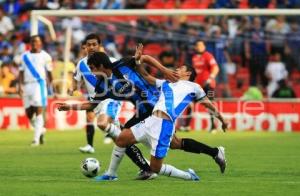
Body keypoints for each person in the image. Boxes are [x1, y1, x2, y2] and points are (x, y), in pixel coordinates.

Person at [58, 48, 227, 180]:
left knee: (125, 138)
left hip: (153, 106)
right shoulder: (102, 85)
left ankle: (128, 171)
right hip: (145, 112)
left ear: (100, 66)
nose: (92, 73)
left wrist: (161, 69)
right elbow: (93, 104)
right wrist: (70, 107)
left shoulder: (122, 65)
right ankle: (212, 153)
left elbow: (144, 60)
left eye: (93, 68)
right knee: (169, 142)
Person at [114, 65, 228, 181]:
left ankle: (189, 176)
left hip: (164, 124)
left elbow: (208, 105)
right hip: (150, 120)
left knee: (155, 167)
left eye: (180, 68)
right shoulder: (166, 83)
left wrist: (222, 120)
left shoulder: (194, 87)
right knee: (121, 139)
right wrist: (138, 61)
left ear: (188, 74)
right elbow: (146, 76)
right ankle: (111, 174)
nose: (176, 69)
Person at [72, 33, 120, 153]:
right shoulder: (81, 64)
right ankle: (90, 145)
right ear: (85, 47)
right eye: (89, 45)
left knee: (108, 128)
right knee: (120, 139)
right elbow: (77, 79)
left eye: (94, 44)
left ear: (99, 46)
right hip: (94, 99)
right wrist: (74, 89)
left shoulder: (111, 61)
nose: (92, 47)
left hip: (110, 99)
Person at [19, 35, 54, 146]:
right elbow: (21, 72)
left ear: (40, 43)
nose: (34, 43)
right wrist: (20, 85)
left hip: (39, 85)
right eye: (32, 41)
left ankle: (36, 140)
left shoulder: (46, 56)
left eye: (36, 41)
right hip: (27, 85)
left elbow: (49, 72)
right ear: (30, 43)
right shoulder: (24, 56)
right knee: (29, 114)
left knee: (38, 111)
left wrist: (51, 86)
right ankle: (41, 130)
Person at [192, 40, 220, 132]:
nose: (199, 47)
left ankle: (213, 127)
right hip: (198, 86)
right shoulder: (194, 58)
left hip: (209, 85)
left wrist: (209, 79)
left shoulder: (208, 56)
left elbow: (215, 68)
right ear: (195, 47)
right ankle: (187, 125)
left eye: (201, 45)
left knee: (210, 105)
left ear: (204, 46)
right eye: (197, 45)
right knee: (189, 103)